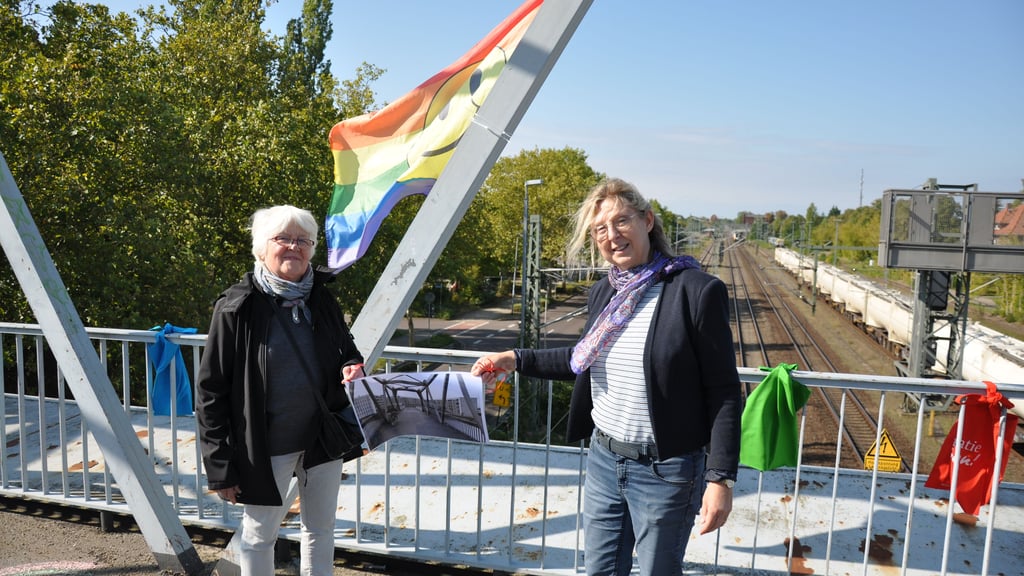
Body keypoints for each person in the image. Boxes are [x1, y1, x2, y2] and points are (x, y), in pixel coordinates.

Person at [471, 178, 742, 576]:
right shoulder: (604, 293)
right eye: (600, 229)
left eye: (622, 221)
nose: (612, 235)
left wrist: (720, 480)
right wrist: (514, 358)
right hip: (604, 461)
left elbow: (724, 392)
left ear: (647, 221)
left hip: (666, 469)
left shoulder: (696, 292)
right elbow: (580, 359)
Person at [196, 205, 366, 576]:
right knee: (259, 537)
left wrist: (351, 365)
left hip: (322, 437)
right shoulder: (236, 307)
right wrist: (220, 467)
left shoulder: (321, 298)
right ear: (261, 248)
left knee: (320, 531)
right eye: (282, 239)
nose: (294, 247)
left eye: (302, 240)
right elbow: (210, 391)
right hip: (265, 443)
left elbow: (346, 348)